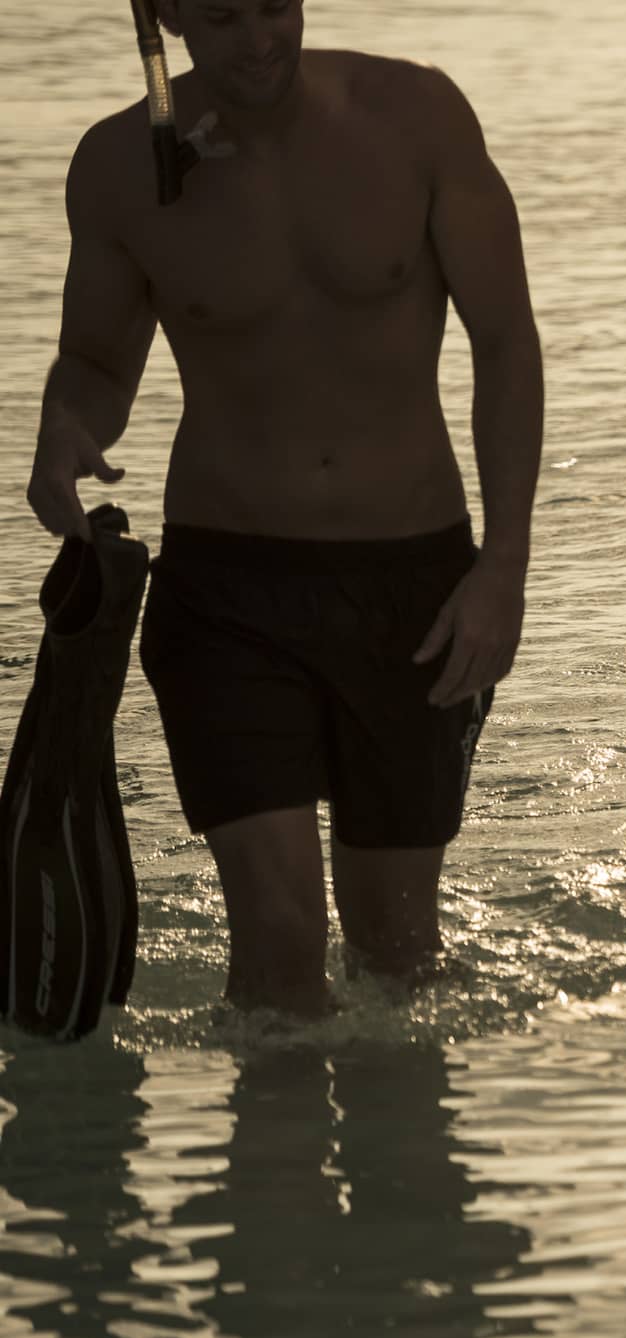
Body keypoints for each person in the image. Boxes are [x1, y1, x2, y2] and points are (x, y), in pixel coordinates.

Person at [25, 0, 543, 1015]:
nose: (260, 39)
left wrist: (505, 569)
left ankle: (404, 1158)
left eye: (275, 6)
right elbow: (94, 361)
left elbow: (506, 343)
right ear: (167, 16)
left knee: (400, 957)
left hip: (413, 588)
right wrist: (65, 427)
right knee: (277, 944)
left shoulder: (416, 117)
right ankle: (270, 1167)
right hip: (226, 592)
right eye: (222, 18)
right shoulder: (123, 168)